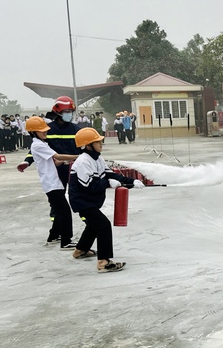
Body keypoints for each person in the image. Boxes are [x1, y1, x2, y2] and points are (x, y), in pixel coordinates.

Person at [69, 128, 144, 273]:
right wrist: (108, 183)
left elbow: (111, 174)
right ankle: (103, 262)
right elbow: (89, 185)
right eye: (97, 141)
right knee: (103, 225)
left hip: (91, 201)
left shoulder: (97, 158)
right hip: (82, 201)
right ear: (88, 145)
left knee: (93, 225)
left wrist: (131, 182)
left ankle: (80, 250)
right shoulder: (84, 161)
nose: (101, 143)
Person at [17, 96, 82, 243]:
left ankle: (55, 234)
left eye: (71, 111)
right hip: (55, 172)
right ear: (58, 112)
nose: (69, 114)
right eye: (66, 111)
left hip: (72, 170)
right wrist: (27, 162)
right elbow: (38, 151)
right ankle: (61, 235)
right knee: (59, 206)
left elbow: (83, 148)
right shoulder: (47, 130)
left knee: (75, 198)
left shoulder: (76, 130)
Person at [26, 116, 79, 250]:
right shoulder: (37, 145)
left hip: (53, 182)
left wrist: (67, 161)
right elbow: (58, 156)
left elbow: (55, 162)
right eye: (41, 130)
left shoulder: (42, 143)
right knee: (65, 212)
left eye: (45, 130)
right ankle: (66, 241)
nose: (45, 132)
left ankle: (54, 236)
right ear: (33, 132)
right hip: (51, 184)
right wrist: (79, 157)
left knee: (60, 210)